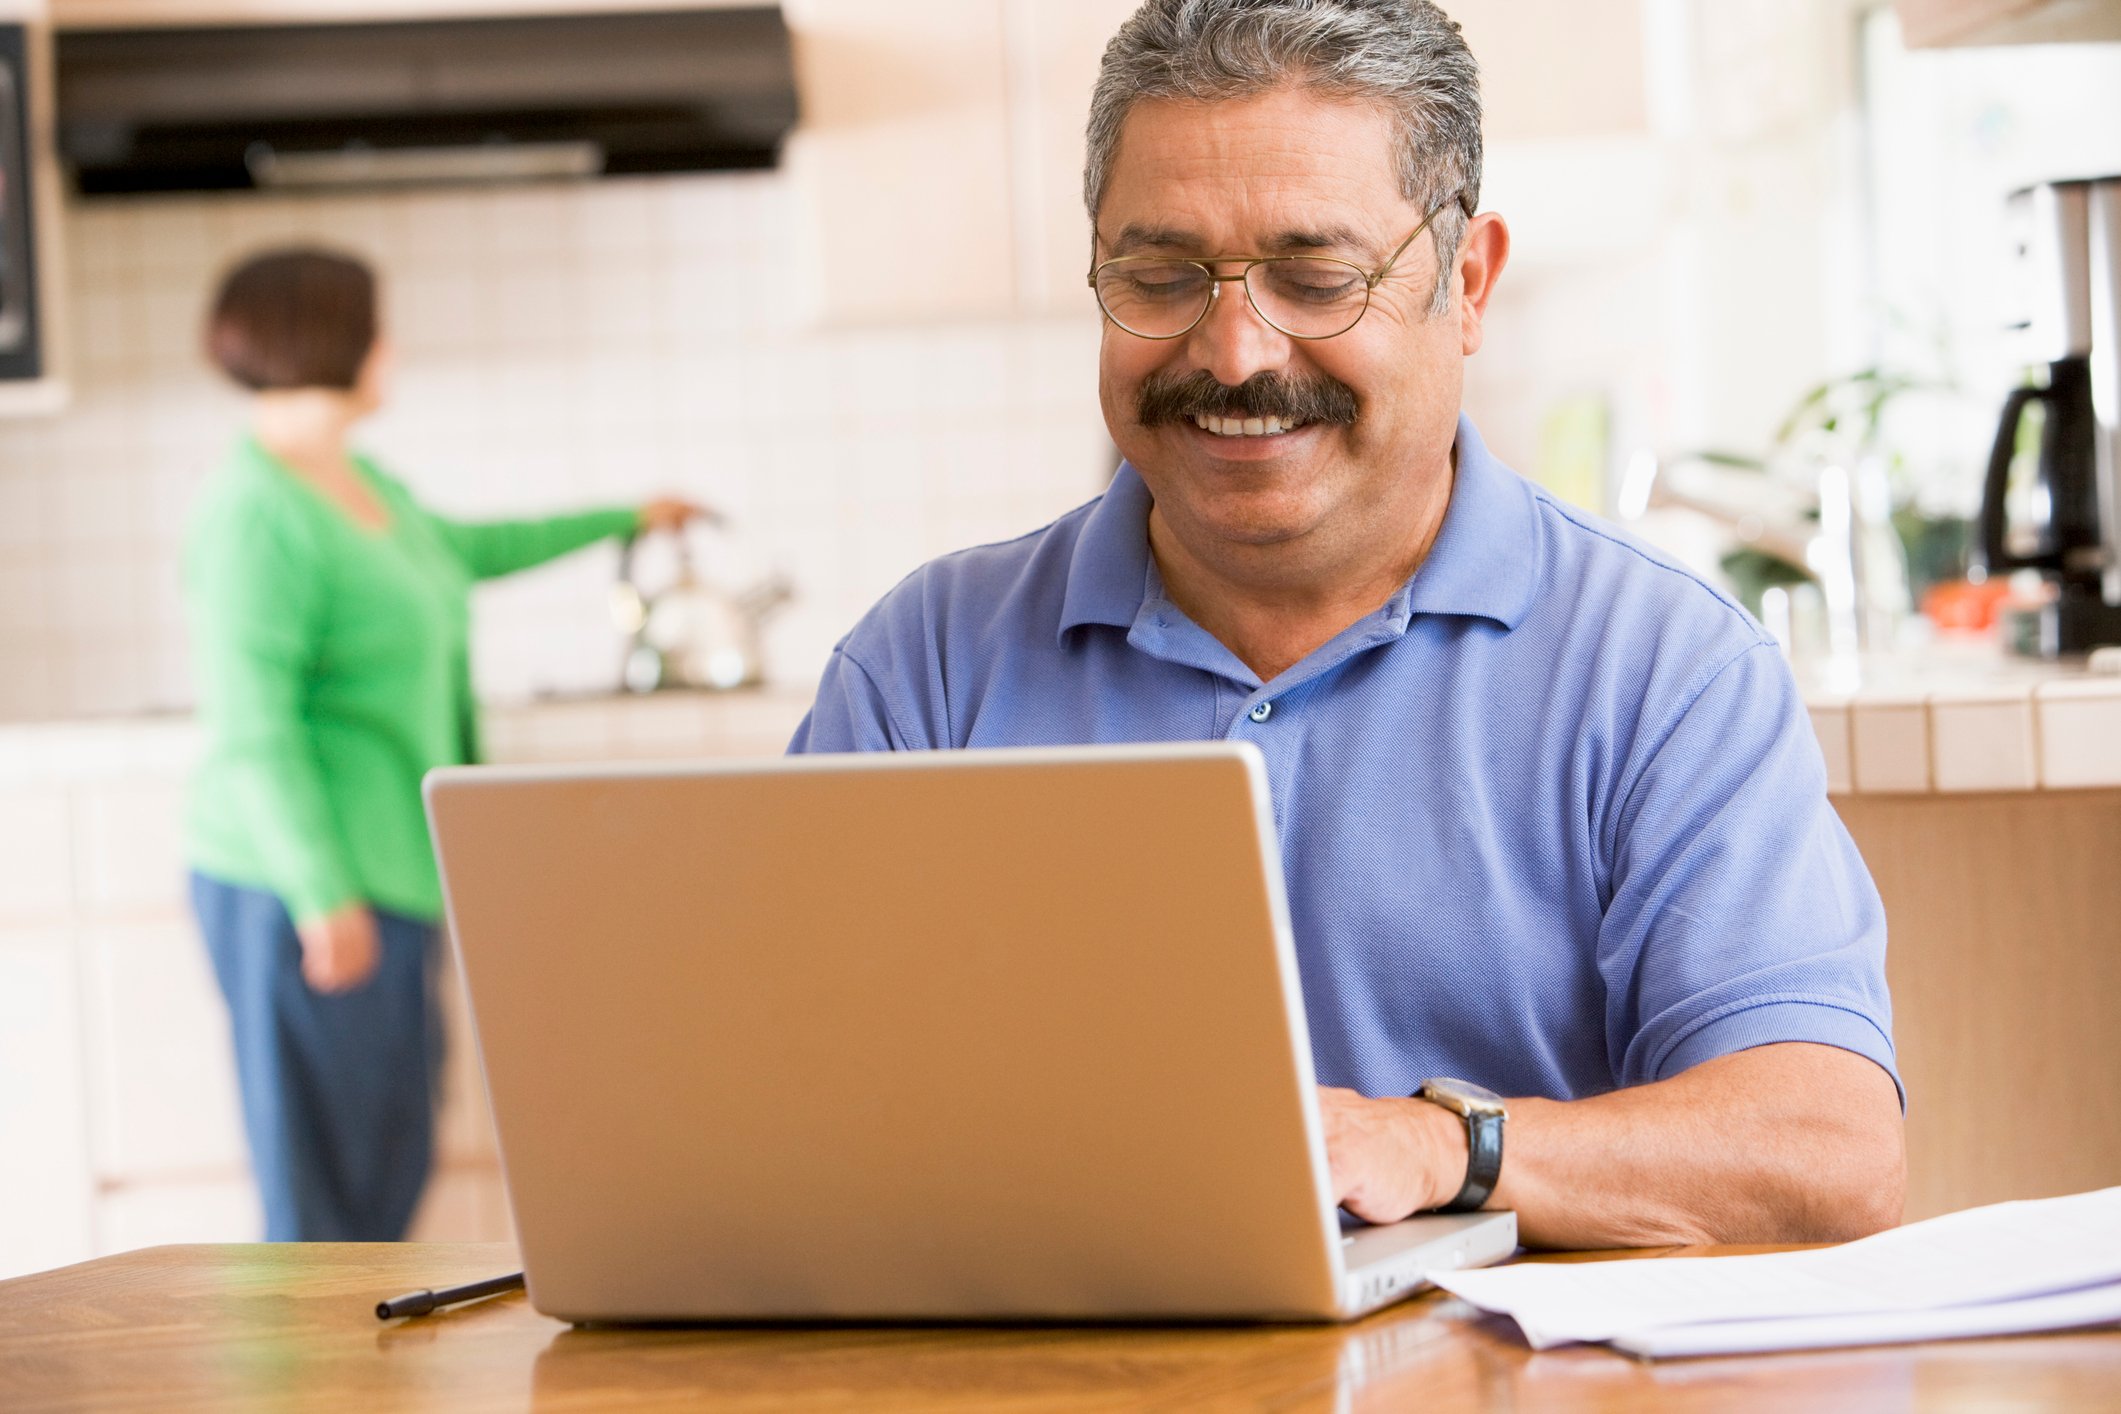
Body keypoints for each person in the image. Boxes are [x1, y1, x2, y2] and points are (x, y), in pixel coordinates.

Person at [790, 0, 1905, 1249]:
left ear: (1467, 283)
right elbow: (766, 1107)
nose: (1233, 349)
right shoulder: (926, 667)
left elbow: (1827, 1150)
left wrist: (1445, 1147)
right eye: (1158, 278)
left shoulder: (1665, 670)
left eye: (1315, 278)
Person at [184, 246, 707, 1241]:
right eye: (376, 326)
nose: (392, 347)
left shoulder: (354, 482)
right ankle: (311, 1399)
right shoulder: (255, 513)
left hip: (390, 870)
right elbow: (254, 732)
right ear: (326, 336)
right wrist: (319, 893)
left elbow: (469, 552)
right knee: (326, 1197)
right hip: (303, 888)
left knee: (389, 1165)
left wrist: (624, 516)